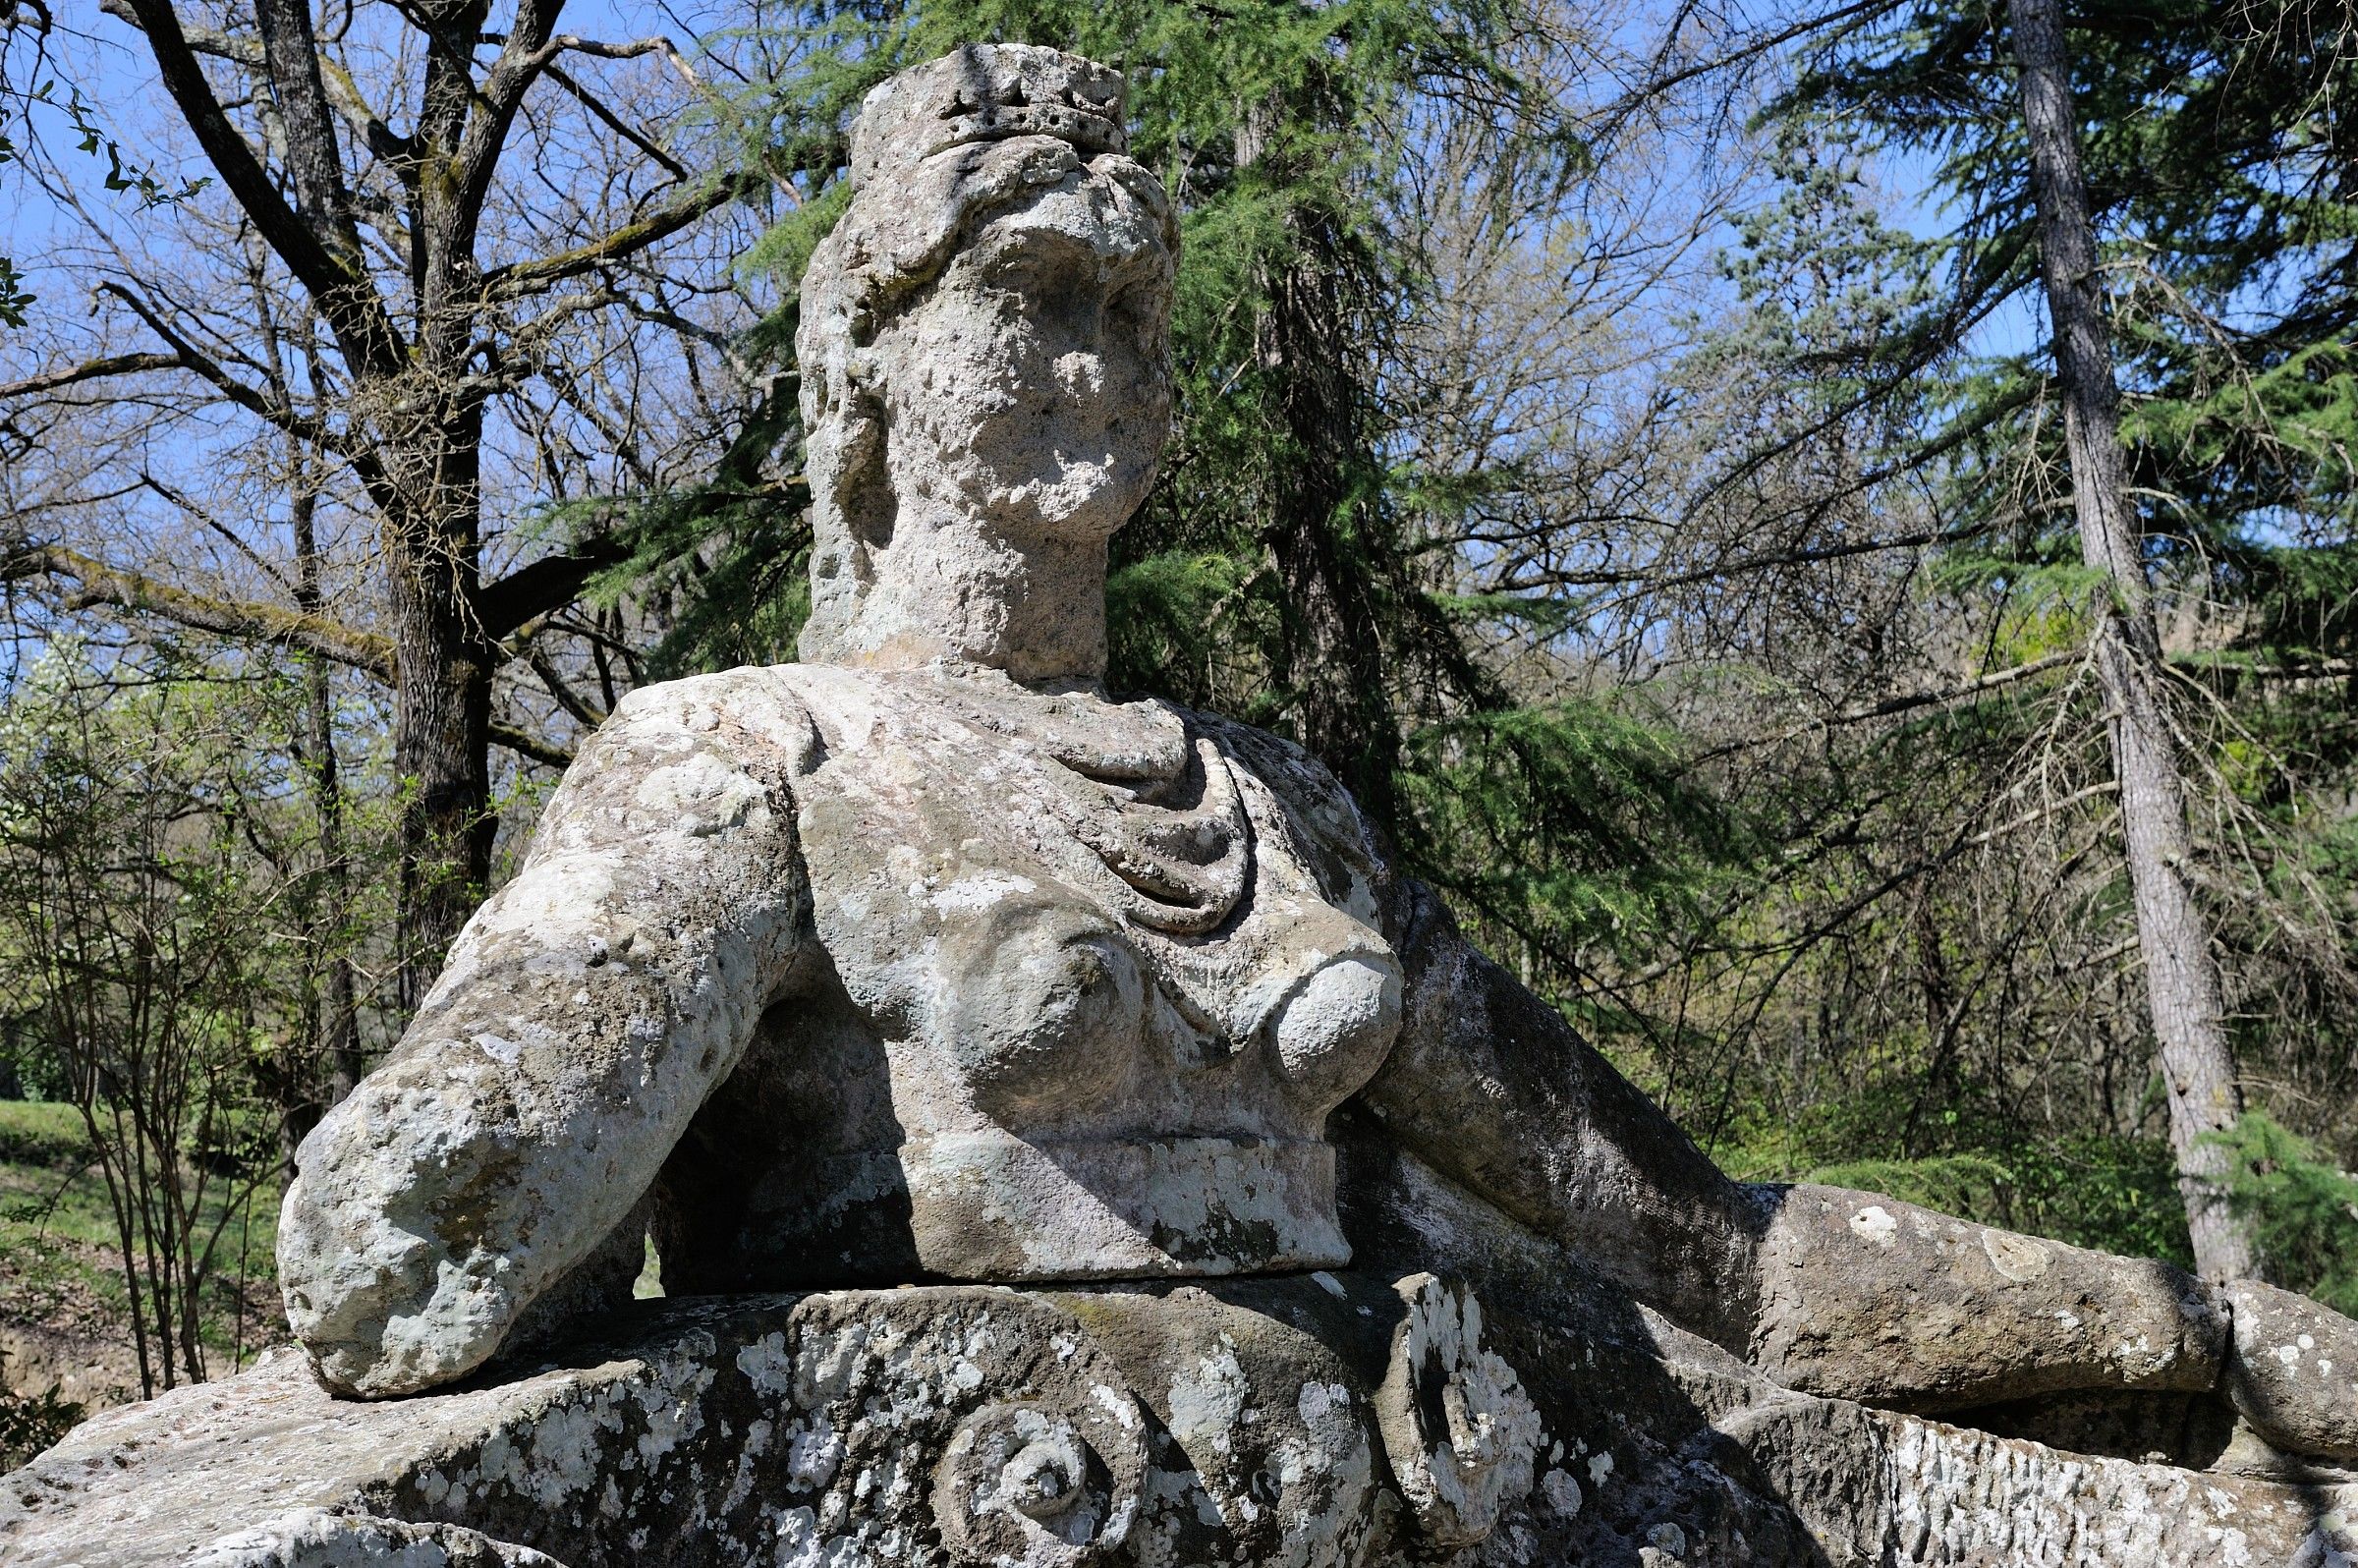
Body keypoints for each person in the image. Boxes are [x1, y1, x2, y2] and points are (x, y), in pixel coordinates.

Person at [275, 43, 2358, 1468]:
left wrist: (2209, 1333)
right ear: (867, 366)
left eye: (1135, 306)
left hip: (1416, 1470)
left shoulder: (1286, 803)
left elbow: (1704, 1247)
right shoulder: (747, 754)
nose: (1100, 362)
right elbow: (422, 1224)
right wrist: (519, 1098)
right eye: (1028, 294)